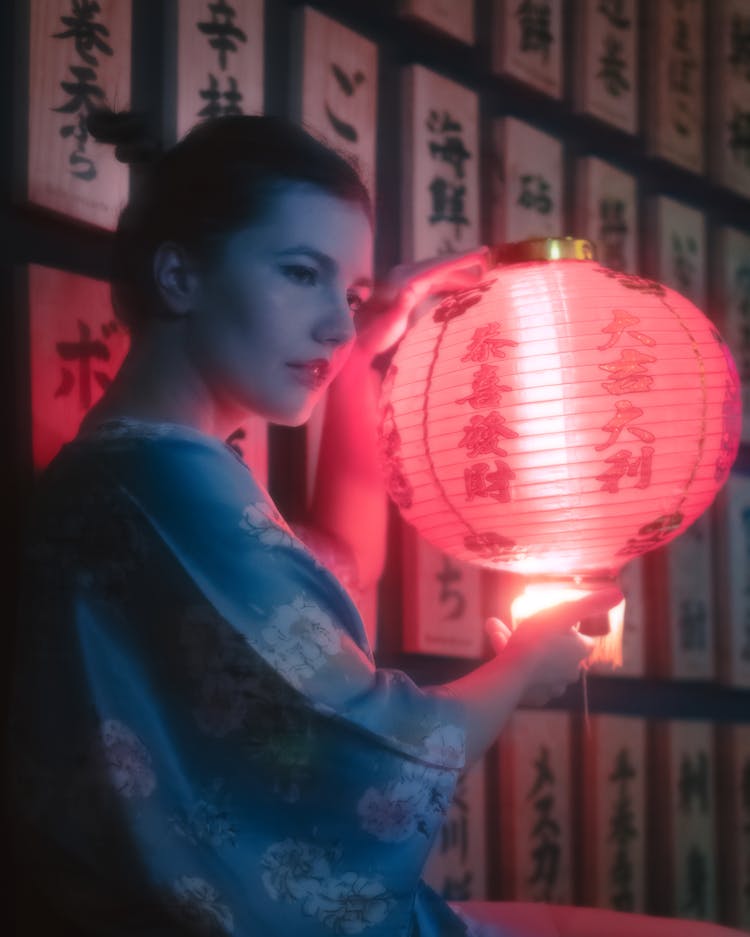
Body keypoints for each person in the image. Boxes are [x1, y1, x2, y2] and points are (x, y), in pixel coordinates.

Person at [6, 112, 740, 937]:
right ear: (179, 276)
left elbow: (341, 563)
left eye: (350, 295)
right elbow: (369, 741)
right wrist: (524, 662)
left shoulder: (154, 464)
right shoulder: (159, 478)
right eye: (299, 273)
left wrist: (356, 372)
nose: (337, 323)